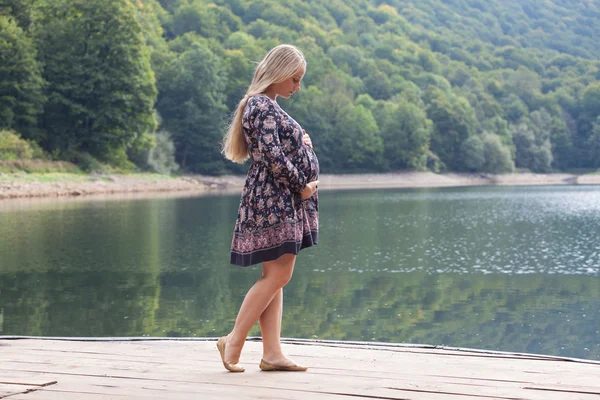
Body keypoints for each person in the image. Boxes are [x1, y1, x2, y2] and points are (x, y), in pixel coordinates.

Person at [219, 44, 320, 373]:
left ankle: (272, 353)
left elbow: (280, 147)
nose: (298, 86)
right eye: (295, 78)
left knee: (274, 277)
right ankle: (234, 339)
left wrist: (303, 142)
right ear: (278, 72)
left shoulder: (269, 105)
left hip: (279, 199)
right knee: (280, 273)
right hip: (272, 200)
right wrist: (301, 186)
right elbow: (271, 156)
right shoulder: (260, 105)